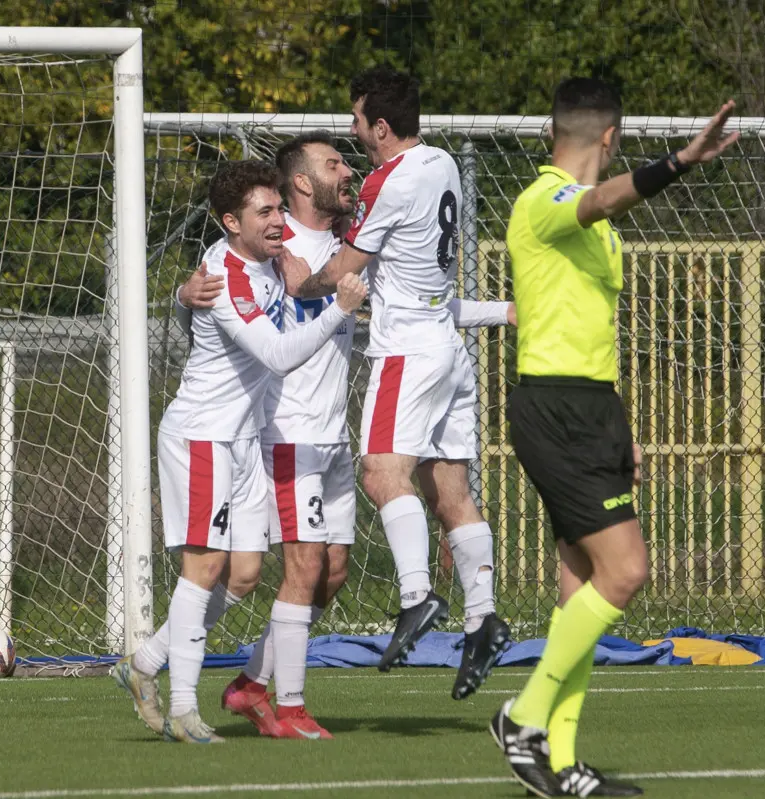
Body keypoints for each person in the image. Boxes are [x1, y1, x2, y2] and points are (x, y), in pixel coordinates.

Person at [178, 131, 515, 738]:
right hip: (283, 433)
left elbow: (424, 307)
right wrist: (183, 297)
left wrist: (504, 311)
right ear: (302, 181)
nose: (348, 171)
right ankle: (282, 706)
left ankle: (249, 684)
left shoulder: (349, 249)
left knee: (328, 577)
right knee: (298, 569)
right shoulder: (271, 245)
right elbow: (216, 293)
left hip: (331, 433)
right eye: (334, 164)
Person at [490, 77, 738, 797]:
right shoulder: (546, 200)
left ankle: (561, 762)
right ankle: (524, 716)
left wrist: (620, 424)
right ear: (610, 138)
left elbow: (591, 329)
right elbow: (597, 197)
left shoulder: (600, 228)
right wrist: (680, 163)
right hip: (554, 407)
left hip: (592, 407)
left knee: (582, 588)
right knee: (627, 571)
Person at [110, 159, 366, 744]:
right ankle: (182, 710)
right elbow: (277, 355)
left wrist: (183, 297)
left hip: (245, 439)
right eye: (266, 212)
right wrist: (339, 310)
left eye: (279, 208)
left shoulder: (266, 259)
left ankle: (144, 662)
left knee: (246, 573)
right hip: (204, 436)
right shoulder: (225, 276)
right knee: (204, 569)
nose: (279, 221)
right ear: (231, 221)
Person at [278, 67, 511, 699]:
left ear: (380, 127)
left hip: (406, 350)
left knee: (382, 472)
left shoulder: (387, 179)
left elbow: (347, 269)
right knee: (451, 491)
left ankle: (416, 597)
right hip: (447, 347)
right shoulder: (443, 164)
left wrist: (304, 280)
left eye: (356, 122)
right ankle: (483, 617)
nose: (353, 134)